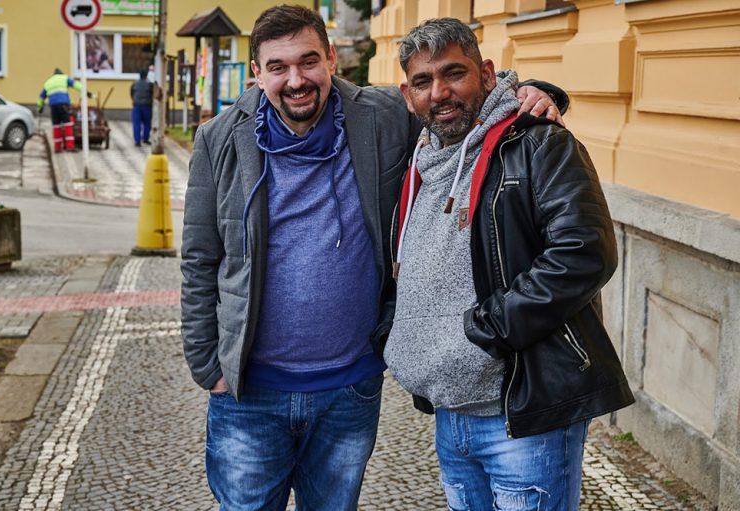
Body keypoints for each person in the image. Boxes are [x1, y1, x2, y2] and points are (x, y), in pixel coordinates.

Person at [180, 6, 564, 510]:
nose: (296, 80)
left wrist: (535, 92)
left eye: (308, 61)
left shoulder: (381, 115)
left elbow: (453, 101)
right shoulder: (219, 140)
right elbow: (198, 257)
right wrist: (207, 363)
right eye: (278, 67)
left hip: (349, 388)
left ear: (332, 58)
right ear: (257, 73)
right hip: (248, 394)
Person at [383, 18, 635, 510]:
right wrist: (392, 333)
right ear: (407, 93)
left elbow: (584, 253)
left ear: (487, 72)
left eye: (454, 73)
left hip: (522, 413)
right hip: (449, 412)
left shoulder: (540, 144)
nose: (440, 92)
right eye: (422, 81)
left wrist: (488, 329)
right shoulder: (417, 156)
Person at [36, 68, 83, 153]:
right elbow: (76, 85)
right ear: (61, 74)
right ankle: (70, 146)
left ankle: (57, 148)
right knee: (68, 124)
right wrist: (85, 91)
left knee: (56, 126)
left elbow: (41, 97)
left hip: (53, 106)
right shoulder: (64, 78)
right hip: (63, 105)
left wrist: (39, 107)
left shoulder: (48, 82)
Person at [130, 70, 153, 146]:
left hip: (136, 106)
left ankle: (137, 141)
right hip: (146, 106)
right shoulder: (149, 84)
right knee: (147, 123)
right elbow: (152, 94)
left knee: (136, 124)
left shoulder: (134, 84)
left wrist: (135, 100)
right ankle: (145, 139)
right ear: (146, 76)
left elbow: (131, 94)